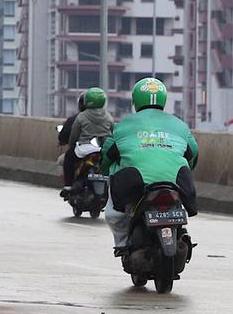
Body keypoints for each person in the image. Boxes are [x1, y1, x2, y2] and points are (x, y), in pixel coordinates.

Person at [102, 78, 200, 256]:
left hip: (139, 183)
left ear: (135, 100)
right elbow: (193, 153)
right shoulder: (180, 125)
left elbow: (106, 156)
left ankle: (123, 244)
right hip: (175, 182)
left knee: (114, 214)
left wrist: (107, 170)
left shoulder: (122, 126)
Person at [62, 87, 114, 195]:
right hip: (102, 149)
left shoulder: (81, 117)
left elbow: (74, 135)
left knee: (68, 157)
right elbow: (113, 134)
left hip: (84, 149)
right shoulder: (109, 117)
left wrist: (71, 146)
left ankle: (68, 186)